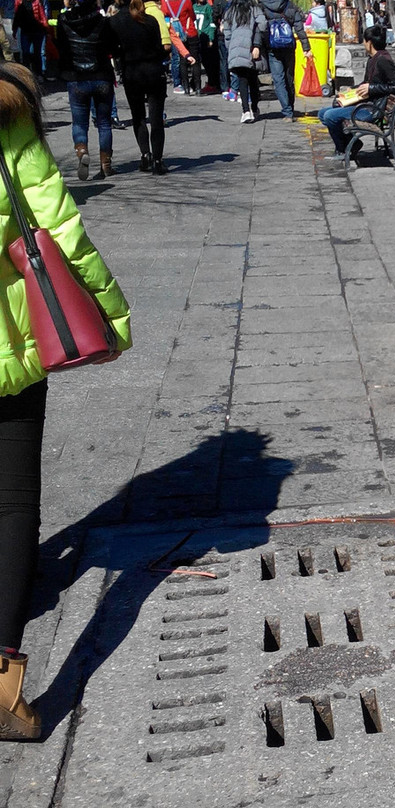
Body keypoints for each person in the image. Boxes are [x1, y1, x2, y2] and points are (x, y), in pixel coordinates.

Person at [0, 60, 131, 742]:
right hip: (7, 348)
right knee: (13, 500)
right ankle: (2, 680)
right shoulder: (7, 114)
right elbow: (58, 225)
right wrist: (109, 316)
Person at [316, 24, 395, 160]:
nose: (363, 43)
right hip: (366, 103)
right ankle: (351, 144)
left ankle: (343, 149)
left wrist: (370, 89)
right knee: (322, 113)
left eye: (364, 41)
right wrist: (353, 90)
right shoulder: (373, 59)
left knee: (330, 116)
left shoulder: (383, 60)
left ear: (370, 42)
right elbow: (367, 82)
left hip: (372, 109)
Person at [56, 0, 117, 179]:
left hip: (76, 78)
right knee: (104, 123)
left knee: (79, 123)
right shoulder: (102, 21)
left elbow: (62, 48)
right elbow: (111, 47)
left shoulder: (63, 20)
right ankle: (106, 164)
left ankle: (82, 151)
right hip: (101, 76)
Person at [109, 0, 170, 173]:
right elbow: (161, 48)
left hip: (132, 72)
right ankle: (158, 160)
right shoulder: (150, 20)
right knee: (156, 117)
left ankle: (145, 155)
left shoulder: (115, 22)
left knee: (138, 117)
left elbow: (114, 50)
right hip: (153, 71)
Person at [259, 0, 311, 120]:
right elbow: (299, 28)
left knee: (278, 80)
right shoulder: (290, 5)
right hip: (288, 46)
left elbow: (261, 27)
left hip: (272, 47)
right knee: (289, 78)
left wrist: (260, 44)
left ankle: (287, 111)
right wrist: (306, 47)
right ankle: (290, 107)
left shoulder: (262, 6)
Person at [222, 0, 265, 123]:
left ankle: (246, 111)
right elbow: (262, 24)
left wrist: (231, 48)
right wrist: (258, 43)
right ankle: (255, 108)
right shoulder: (255, 9)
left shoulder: (230, 11)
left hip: (236, 48)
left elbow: (227, 33)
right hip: (251, 47)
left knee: (242, 79)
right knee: (253, 79)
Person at [162, 0, 200, 93]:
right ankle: (197, 87)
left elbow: (164, 14)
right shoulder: (186, 1)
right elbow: (192, 15)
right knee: (194, 59)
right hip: (189, 30)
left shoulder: (165, 1)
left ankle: (183, 85)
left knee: (180, 60)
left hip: (174, 31)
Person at [11, 0, 47, 75]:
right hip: (25, 31)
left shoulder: (37, 2)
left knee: (37, 53)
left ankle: (39, 73)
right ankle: (27, 73)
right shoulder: (19, 2)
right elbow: (17, 17)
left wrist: (46, 28)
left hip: (37, 31)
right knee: (25, 52)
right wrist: (14, 30)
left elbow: (42, 16)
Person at [192, 0, 219, 93]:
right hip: (195, 36)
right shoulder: (193, 7)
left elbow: (212, 23)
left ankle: (212, 82)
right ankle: (194, 83)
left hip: (205, 37)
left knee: (207, 61)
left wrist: (211, 38)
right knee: (195, 61)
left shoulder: (207, 7)